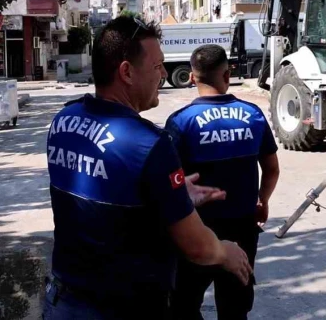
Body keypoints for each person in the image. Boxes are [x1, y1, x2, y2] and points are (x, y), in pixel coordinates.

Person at [43, 17, 252, 319]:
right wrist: (225, 252)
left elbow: (109, 194)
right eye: (157, 67)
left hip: (64, 302)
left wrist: (173, 194)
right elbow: (197, 247)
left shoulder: (63, 121)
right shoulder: (148, 144)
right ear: (126, 72)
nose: (164, 75)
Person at [166, 44, 280, 320]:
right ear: (227, 75)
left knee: (183, 304)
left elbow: (170, 183)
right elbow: (272, 169)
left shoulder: (180, 122)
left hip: (196, 232)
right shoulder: (252, 115)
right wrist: (262, 200)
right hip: (242, 229)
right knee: (235, 308)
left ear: (192, 78)